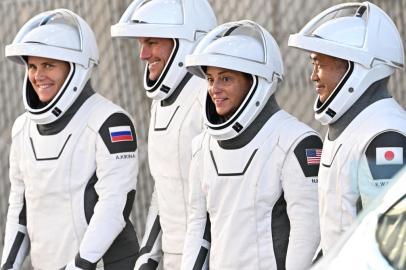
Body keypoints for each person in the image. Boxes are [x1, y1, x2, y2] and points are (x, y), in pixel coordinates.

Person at [1, 9, 139, 270]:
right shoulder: (22, 128)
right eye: (33, 66)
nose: (38, 75)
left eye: (49, 65)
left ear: (75, 68)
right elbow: (19, 208)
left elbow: (115, 204)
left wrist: (80, 265)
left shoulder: (111, 121)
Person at [181, 20, 322, 270]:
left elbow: (307, 232)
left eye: (226, 78)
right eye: (211, 79)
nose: (215, 89)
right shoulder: (201, 146)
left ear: (256, 81)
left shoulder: (296, 141)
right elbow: (198, 228)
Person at [288, 1, 406, 255]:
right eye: (312, 64)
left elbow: (389, 241)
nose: (313, 76)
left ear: (356, 67)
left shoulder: (385, 134)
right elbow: (337, 229)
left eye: (320, 63)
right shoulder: (352, 125)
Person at [111, 0, 216, 269]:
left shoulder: (211, 98)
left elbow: (217, 198)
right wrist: (148, 254)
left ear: (187, 41)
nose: (143, 54)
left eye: (153, 42)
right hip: (174, 258)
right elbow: (165, 187)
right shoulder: (161, 102)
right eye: (141, 43)